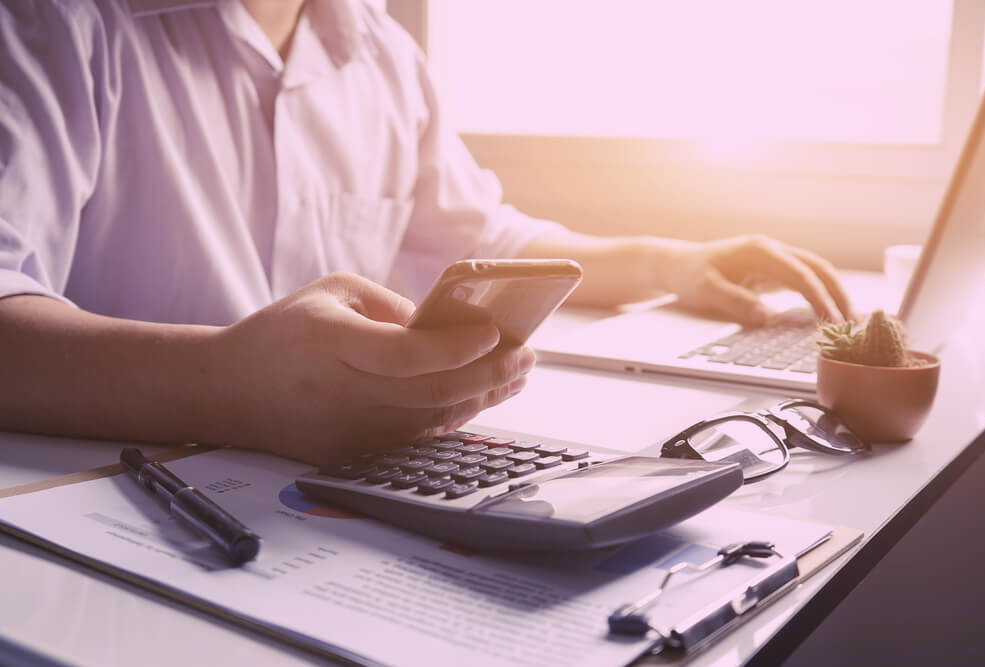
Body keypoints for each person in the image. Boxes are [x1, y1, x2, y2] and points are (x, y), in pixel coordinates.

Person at [0, 0, 852, 465]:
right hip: (112, 505)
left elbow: (482, 240)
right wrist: (228, 384)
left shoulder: (380, 49)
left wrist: (670, 260)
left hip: (318, 494)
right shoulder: (52, 24)